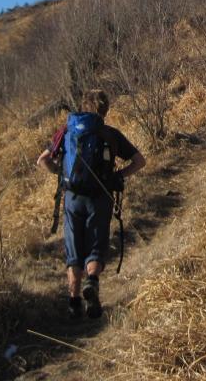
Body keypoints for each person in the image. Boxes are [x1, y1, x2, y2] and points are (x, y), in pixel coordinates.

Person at [36, 89, 146, 319]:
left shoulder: (66, 131)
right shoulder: (110, 134)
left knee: (74, 250)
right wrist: (119, 176)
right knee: (96, 246)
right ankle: (92, 282)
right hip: (100, 197)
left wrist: (61, 174)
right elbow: (139, 161)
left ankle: (74, 302)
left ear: (83, 106)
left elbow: (42, 160)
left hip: (72, 198)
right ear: (105, 110)